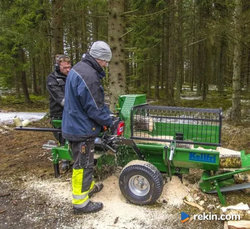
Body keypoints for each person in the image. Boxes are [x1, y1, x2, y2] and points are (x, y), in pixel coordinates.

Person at [62, 41, 113, 214]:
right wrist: (109, 121)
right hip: (80, 129)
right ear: (98, 58)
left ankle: (88, 187)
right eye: (105, 61)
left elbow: (92, 103)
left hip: (77, 124)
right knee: (82, 165)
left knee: (87, 162)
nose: (106, 64)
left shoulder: (79, 68)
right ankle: (80, 203)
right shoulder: (89, 76)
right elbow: (95, 107)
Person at [46, 54, 71, 170]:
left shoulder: (71, 76)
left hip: (71, 112)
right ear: (58, 66)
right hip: (59, 113)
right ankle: (65, 160)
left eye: (69, 67)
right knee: (62, 137)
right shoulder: (52, 79)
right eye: (65, 68)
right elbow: (60, 98)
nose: (68, 70)